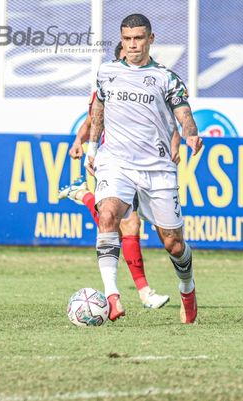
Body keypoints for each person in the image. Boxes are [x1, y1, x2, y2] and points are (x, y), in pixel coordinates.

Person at [85, 13, 203, 323]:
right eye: (127, 39)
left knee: (173, 244)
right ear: (121, 41)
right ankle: (112, 297)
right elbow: (98, 110)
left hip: (157, 168)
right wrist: (92, 148)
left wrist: (190, 133)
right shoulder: (106, 72)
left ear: (151, 39)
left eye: (139, 38)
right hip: (116, 162)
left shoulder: (167, 78)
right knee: (108, 214)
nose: (133, 44)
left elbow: (184, 112)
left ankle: (187, 290)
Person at [59, 42, 178, 311]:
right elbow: (92, 119)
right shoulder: (109, 81)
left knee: (128, 225)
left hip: (146, 164)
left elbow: (167, 118)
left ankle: (83, 195)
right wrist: (80, 141)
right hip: (115, 164)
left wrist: (175, 141)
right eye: (127, 53)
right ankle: (144, 293)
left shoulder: (153, 82)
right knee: (128, 224)